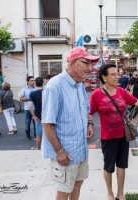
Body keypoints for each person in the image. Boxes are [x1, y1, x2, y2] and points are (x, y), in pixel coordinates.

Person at [89, 64, 138, 200]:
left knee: (122, 165)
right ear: (104, 77)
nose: (116, 77)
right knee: (108, 167)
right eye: (113, 74)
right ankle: (109, 193)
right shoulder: (96, 95)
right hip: (108, 137)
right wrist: (89, 125)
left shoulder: (121, 91)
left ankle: (120, 193)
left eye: (116, 74)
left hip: (123, 135)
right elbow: (89, 113)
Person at [41, 46, 97, 200]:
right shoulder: (54, 87)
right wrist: (59, 151)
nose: (89, 67)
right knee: (64, 190)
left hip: (80, 148)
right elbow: (47, 123)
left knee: (78, 184)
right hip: (66, 152)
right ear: (72, 63)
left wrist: (89, 124)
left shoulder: (79, 84)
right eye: (86, 63)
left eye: (91, 64)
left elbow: (85, 110)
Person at [20, 76, 36, 140]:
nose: (33, 82)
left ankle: (36, 136)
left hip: (35, 108)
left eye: (34, 80)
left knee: (36, 123)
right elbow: (21, 98)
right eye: (31, 80)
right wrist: (28, 99)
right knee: (27, 122)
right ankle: (28, 135)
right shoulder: (24, 89)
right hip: (27, 109)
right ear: (28, 82)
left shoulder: (36, 88)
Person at [29, 77, 44, 150]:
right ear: (43, 83)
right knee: (49, 132)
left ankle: (38, 148)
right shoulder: (46, 91)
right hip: (47, 114)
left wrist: (34, 116)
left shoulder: (32, 93)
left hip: (38, 115)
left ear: (35, 83)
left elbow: (30, 106)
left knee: (39, 134)